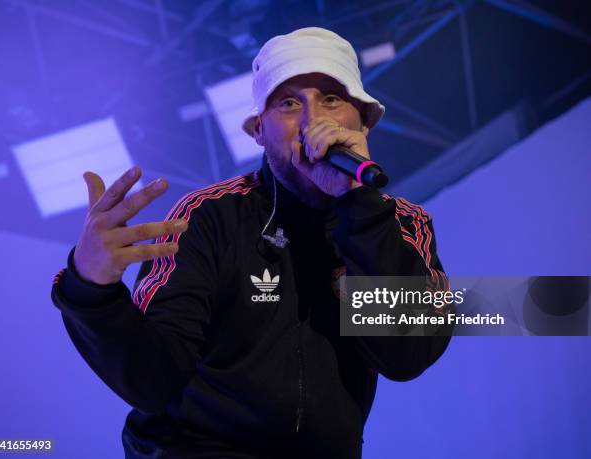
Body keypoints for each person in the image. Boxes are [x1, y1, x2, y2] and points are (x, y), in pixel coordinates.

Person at [51, 27, 452, 459]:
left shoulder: (401, 224)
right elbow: (154, 380)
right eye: (289, 103)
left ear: (363, 121)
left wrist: (361, 208)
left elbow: (406, 354)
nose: (312, 121)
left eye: (331, 99)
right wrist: (91, 288)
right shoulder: (207, 216)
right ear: (259, 130)